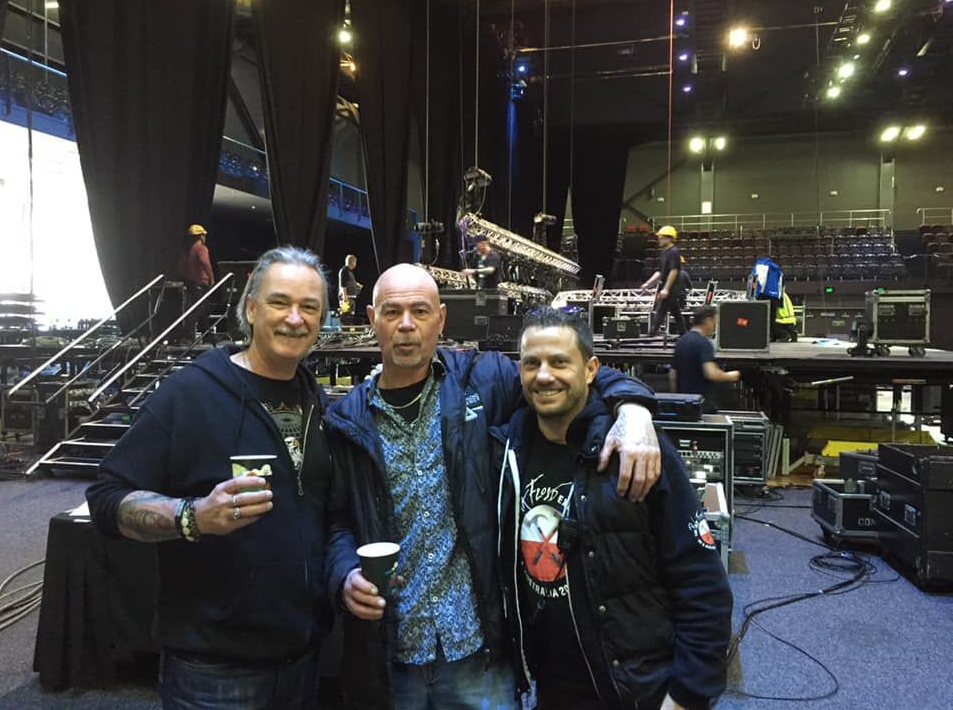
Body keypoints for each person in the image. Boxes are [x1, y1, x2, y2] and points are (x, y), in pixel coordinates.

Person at [325, 263, 661, 709]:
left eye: (420, 311)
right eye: (392, 312)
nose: (406, 325)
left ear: (441, 319)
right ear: (371, 319)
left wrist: (634, 407)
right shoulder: (346, 420)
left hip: (478, 650)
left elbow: (566, 379)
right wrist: (344, 573)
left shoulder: (484, 382)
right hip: (392, 653)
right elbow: (336, 522)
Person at [86, 246, 333, 709]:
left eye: (309, 307)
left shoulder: (312, 397)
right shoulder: (190, 393)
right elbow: (106, 497)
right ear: (252, 307)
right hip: (214, 671)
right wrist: (193, 516)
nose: (295, 318)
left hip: (302, 658)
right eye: (280, 302)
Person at [493, 306, 733, 710]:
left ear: (591, 370)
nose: (544, 375)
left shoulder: (638, 452)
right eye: (531, 363)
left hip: (638, 689)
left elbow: (703, 584)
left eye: (559, 362)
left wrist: (688, 695)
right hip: (553, 688)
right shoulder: (506, 448)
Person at [671, 305, 740, 412]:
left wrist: (676, 398)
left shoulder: (681, 341)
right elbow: (711, 373)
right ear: (707, 321)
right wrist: (730, 376)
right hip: (702, 405)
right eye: (714, 322)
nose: (715, 325)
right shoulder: (704, 343)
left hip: (684, 404)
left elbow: (672, 374)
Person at [641, 225, 688, 336]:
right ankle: (684, 334)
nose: (659, 240)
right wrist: (648, 283)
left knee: (661, 310)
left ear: (669, 238)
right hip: (667, 287)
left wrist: (666, 289)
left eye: (661, 237)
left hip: (672, 288)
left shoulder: (674, 251)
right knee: (675, 312)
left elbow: (674, 270)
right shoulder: (664, 252)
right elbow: (660, 271)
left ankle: (651, 334)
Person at [179, 223, 215, 336]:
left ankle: (207, 333)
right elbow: (205, 262)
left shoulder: (189, 249)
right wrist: (211, 278)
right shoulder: (201, 248)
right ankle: (186, 332)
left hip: (191, 281)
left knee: (202, 309)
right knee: (200, 308)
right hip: (200, 282)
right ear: (201, 236)